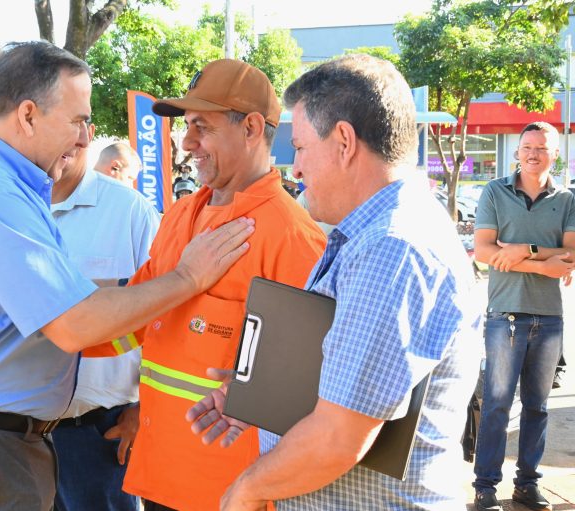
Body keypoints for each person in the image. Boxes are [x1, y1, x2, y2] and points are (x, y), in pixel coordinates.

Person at [0, 41, 254, 511]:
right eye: (78, 120)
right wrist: (187, 278)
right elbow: (74, 323)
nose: (85, 138)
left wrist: (148, 291)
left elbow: (61, 296)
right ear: (27, 115)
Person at [188, 54, 483, 510]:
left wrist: (246, 490)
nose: (296, 169)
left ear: (344, 141)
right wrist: (269, 393)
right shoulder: (373, 234)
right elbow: (356, 384)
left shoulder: (391, 246)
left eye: (301, 148)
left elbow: (339, 437)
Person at [86, 58, 326, 511]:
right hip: (159, 475)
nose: (186, 142)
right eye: (186, 126)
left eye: (201, 126)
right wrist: (51, 326)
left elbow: (307, 390)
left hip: (230, 491)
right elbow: (134, 320)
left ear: (252, 127)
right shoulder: (180, 214)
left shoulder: (292, 237)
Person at [49, 127, 160, 511]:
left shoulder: (130, 211)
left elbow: (166, 315)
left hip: (99, 433)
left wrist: (143, 412)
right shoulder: (10, 206)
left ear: (85, 133)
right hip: (16, 437)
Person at [472, 121, 575, 511]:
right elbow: (483, 251)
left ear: (555, 154)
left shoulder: (566, 199)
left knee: (538, 406)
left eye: (542, 148)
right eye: (527, 147)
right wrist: (541, 263)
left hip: (549, 317)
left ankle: (526, 484)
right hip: (505, 316)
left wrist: (521, 248)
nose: (534, 154)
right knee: (497, 403)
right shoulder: (495, 191)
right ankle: (485, 487)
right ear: (518, 151)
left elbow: (572, 255)